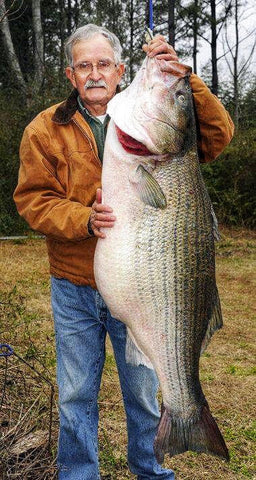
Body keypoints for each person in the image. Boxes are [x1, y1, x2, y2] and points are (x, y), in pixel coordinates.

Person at [14, 24, 234, 480]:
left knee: (141, 390)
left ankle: (152, 469)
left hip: (147, 288)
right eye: (83, 66)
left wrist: (182, 78)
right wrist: (83, 219)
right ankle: (78, 475)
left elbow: (218, 135)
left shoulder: (141, 118)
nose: (94, 74)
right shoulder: (44, 129)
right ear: (71, 75)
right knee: (75, 393)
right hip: (74, 286)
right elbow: (31, 199)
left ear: (119, 70)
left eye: (103, 64)